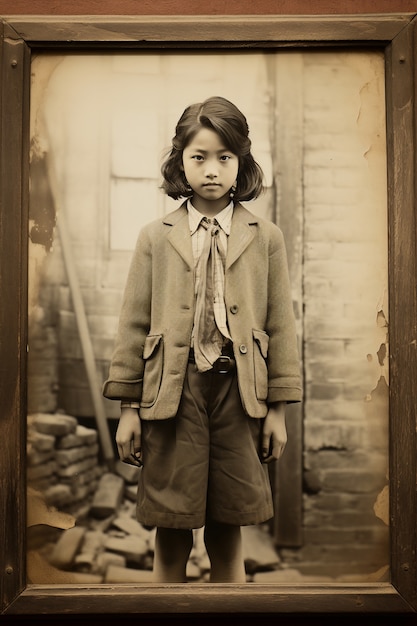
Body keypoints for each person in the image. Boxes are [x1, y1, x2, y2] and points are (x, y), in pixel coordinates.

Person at [102, 96, 302, 583]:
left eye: (225, 157)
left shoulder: (266, 237)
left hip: (239, 392)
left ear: (242, 163)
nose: (212, 169)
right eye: (199, 157)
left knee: (227, 525)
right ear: (180, 163)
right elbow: (133, 322)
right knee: (171, 527)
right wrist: (128, 410)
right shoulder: (156, 236)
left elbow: (280, 324)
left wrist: (277, 410)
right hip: (173, 392)